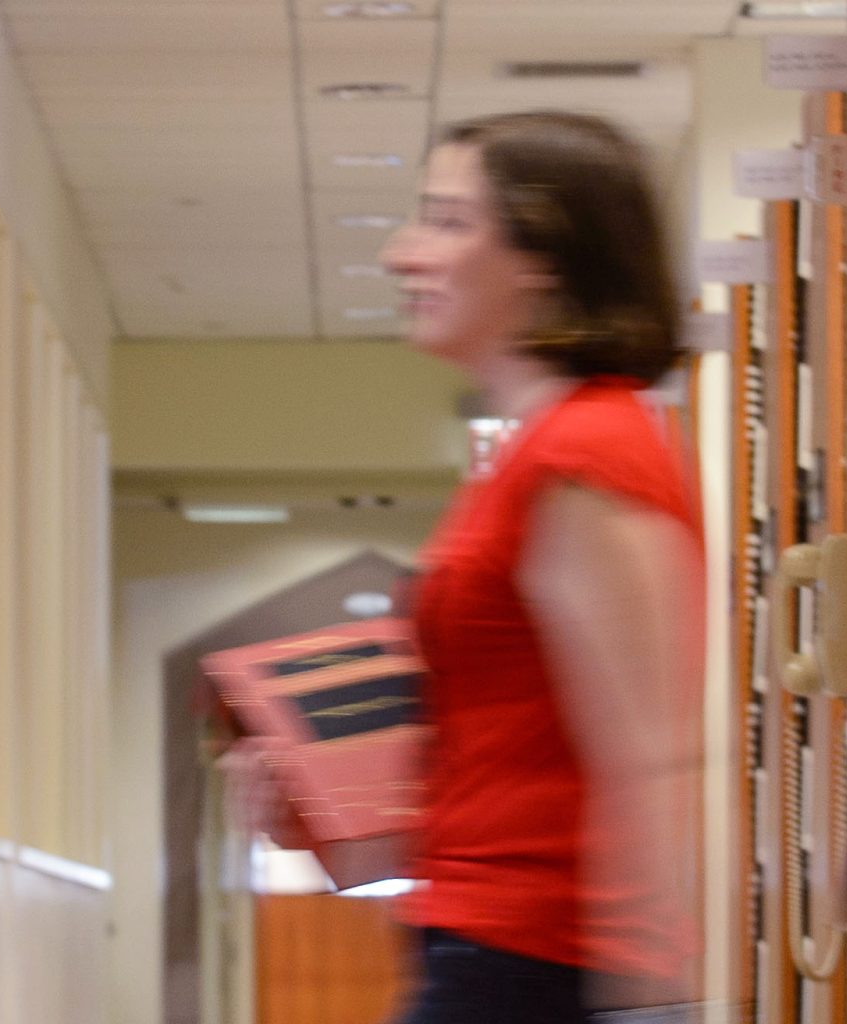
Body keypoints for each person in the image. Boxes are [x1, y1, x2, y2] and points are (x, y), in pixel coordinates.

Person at [262, 109, 708, 1024]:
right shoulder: (529, 454)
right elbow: (505, 766)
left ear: (544, 259)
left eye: (448, 221)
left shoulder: (588, 453)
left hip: (539, 965)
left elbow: (658, 759)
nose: (402, 253)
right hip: (483, 946)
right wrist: (316, 816)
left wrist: (654, 1001)